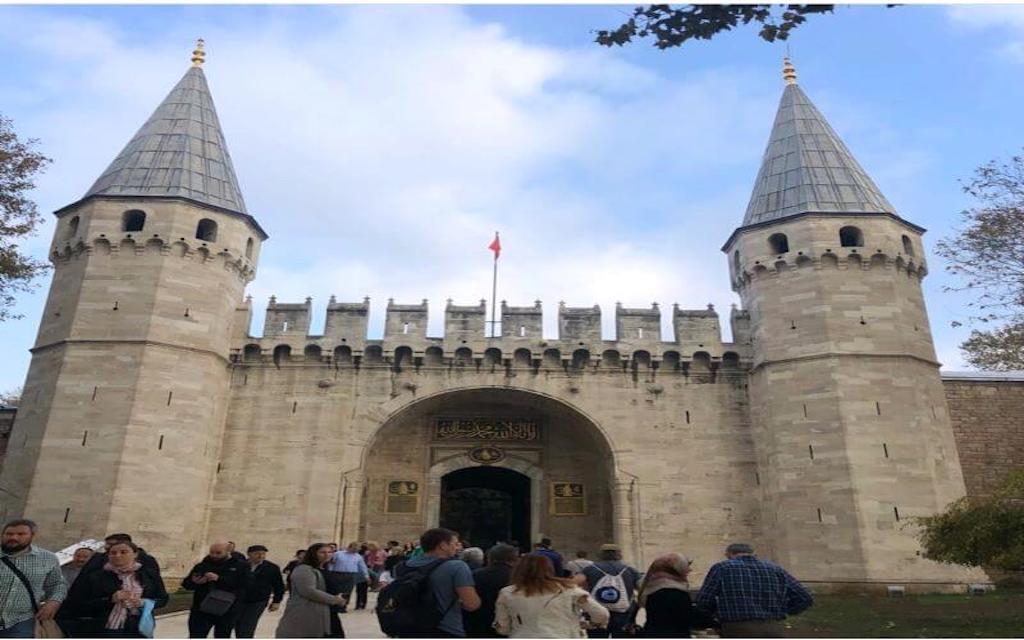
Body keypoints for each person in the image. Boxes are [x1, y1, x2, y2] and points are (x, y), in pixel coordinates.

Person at [695, 543, 813, 638]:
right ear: (753, 554)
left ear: (728, 554)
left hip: (736, 627)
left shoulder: (722, 568)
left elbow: (704, 599)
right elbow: (804, 597)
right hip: (773, 627)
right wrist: (786, 610)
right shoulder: (776, 569)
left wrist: (714, 617)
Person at [57, 540, 168, 638]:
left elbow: (162, 599)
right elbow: (78, 603)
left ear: (135, 554)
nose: (117, 556)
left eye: (123, 552)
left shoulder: (148, 575)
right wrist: (110, 599)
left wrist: (143, 602)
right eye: (113, 553)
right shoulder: (96, 576)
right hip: (102, 628)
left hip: (136, 628)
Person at [389, 527, 481, 637]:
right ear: (442, 545)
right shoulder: (457, 566)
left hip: (408, 627)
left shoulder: (401, 567)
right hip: (445, 627)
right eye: (455, 544)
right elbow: (471, 604)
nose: (457, 548)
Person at [494, 553, 609, 638]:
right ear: (549, 569)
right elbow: (601, 614)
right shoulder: (569, 589)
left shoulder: (508, 593)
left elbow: (502, 627)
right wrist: (591, 624)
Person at [0, 519, 66, 639]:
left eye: (21, 534)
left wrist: (54, 602)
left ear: (32, 536)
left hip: (21, 622)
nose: (14, 537)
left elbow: (57, 584)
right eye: (9, 534)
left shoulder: (48, 558)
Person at [633, 553, 713, 638]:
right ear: (675, 569)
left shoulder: (652, 588)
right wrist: (714, 621)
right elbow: (687, 617)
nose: (689, 570)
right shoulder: (675, 592)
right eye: (685, 566)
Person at [181, 540, 251, 638]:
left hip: (227, 609)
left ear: (228, 552)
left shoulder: (241, 566)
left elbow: (246, 585)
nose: (214, 555)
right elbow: (186, 584)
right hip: (202, 609)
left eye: (218, 553)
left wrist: (219, 579)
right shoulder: (202, 565)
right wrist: (195, 582)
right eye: (212, 552)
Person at [275, 544, 347, 639]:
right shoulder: (304, 569)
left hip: (328, 611)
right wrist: (334, 599)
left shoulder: (324, 568)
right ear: (313, 554)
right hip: (309, 611)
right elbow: (308, 591)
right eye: (322, 552)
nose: (327, 555)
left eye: (330, 552)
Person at [582, 544, 640, 638]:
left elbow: (576, 584)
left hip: (597, 613)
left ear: (601, 554)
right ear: (619, 554)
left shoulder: (590, 569)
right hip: (623, 614)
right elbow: (641, 587)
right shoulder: (629, 570)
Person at [463, 544, 518, 638]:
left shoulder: (476, 575)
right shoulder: (518, 577)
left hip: (478, 624)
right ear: (514, 559)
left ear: (490, 558)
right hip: (508, 625)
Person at [234, 545, 285, 638]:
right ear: (249, 554)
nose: (260, 556)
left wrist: (276, 601)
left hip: (258, 601)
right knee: (237, 624)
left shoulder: (271, 567)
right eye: (257, 554)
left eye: (263, 554)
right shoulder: (240, 565)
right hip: (238, 600)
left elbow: (278, 585)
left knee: (248, 625)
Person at [326, 542, 368, 614]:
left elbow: (362, 566)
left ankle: (343, 606)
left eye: (358, 548)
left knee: (347, 591)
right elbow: (332, 563)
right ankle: (335, 604)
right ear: (350, 547)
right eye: (355, 548)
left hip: (351, 574)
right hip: (337, 573)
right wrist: (330, 572)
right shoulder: (338, 554)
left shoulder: (358, 556)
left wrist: (366, 575)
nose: (357, 550)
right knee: (336, 590)